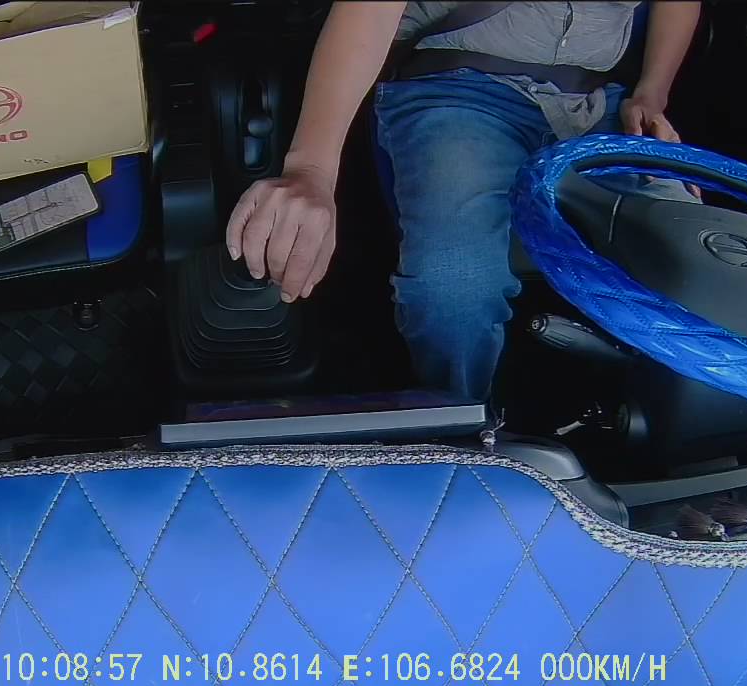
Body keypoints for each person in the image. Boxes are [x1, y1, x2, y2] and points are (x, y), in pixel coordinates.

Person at [225, 1, 703, 401]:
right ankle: (462, 427)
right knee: (454, 286)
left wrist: (652, 93)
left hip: (598, 103)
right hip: (457, 87)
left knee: (699, 261)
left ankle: (679, 448)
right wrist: (311, 170)